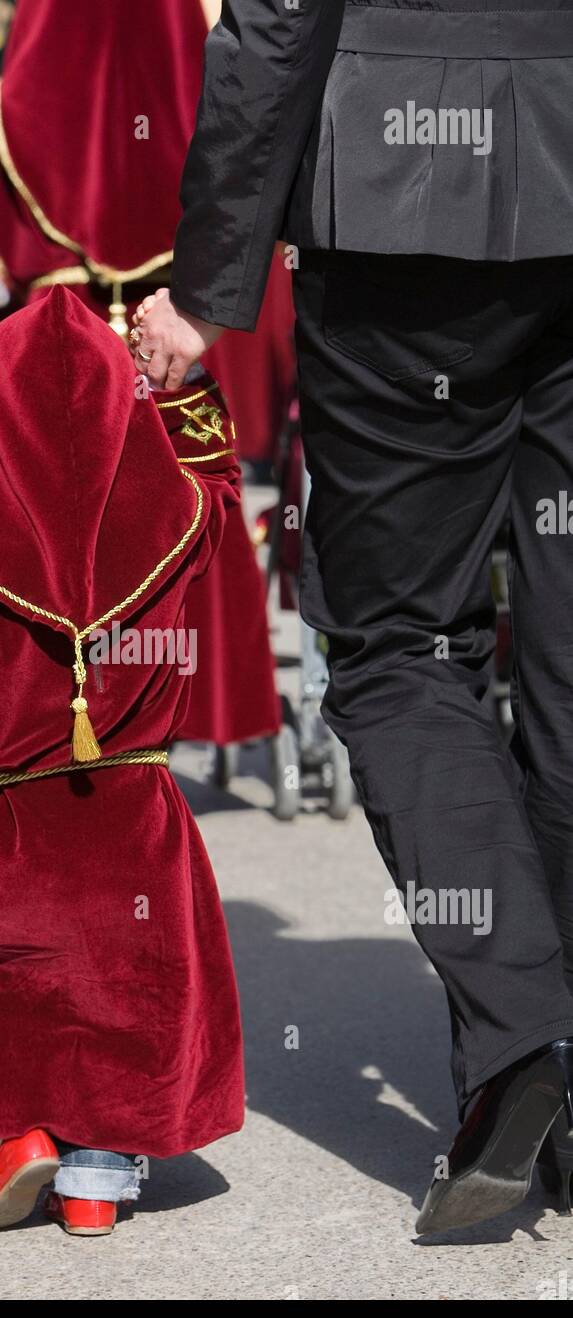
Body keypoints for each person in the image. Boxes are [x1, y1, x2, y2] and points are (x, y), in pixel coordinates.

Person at [135, 0, 573, 1234]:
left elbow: (276, 19)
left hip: (405, 211)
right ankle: (544, 1052)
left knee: (398, 646)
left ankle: (525, 1041)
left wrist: (205, 286)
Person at [0, 287, 245, 1237]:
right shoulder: (181, 527)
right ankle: (98, 1179)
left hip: (3, 826)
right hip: (136, 826)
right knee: (125, 994)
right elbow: (219, 477)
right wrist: (183, 380)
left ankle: (15, 1139)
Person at [0, 0, 284, 781]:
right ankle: (205, 708)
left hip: (62, 310)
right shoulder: (175, 15)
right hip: (169, 304)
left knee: (50, 510)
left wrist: (15, 254)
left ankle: (46, 723)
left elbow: (18, 120)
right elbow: (219, 118)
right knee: (181, 492)